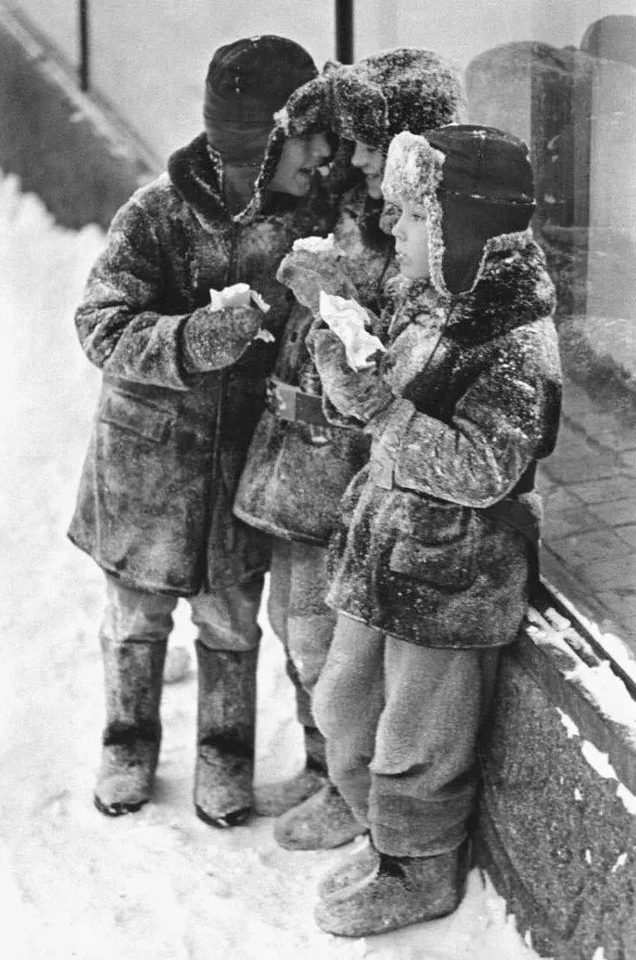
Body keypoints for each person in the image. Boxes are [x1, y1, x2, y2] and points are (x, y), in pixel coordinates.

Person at [68, 35, 335, 828]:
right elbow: (99, 325)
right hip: (145, 469)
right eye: (305, 139)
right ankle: (126, 738)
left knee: (229, 620)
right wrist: (188, 340)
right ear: (259, 145)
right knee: (137, 619)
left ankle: (226, 754)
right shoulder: (155, 214)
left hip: (244, 470)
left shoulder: (311, 219)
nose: (321, 157)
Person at [307, 125, 562, 936]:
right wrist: (351, 367)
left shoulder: (520, 341)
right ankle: (383, 841)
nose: (394, 230)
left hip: (454, 574)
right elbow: (398, 400)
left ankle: (417, 872)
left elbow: (485, 469)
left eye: (412, 217)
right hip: (383, 547)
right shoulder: (433, 294)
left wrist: (380, 406)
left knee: (417, 745)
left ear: (462, 225)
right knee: (342, 708)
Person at [234, 48, 464, 850]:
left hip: (349, 464)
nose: (353, 156)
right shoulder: (353, 198)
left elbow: (396, 348)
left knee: (324, 640)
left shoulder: (423, 236)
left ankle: (348, 785)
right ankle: (322, 762)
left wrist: (330, 290)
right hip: (299, 453)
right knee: (294, 628)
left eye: (368, 140)